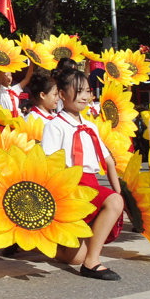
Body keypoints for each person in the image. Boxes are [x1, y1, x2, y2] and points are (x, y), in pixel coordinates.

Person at [42, 68, 124, 280]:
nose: (85, 96)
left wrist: (119, 193)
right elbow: (49, 164)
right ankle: (90, 262)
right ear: (61, 94)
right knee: (78, 257)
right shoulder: (55, 126)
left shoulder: (90, 126)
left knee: (114, 202)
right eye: (78, 91)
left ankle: (84, 258)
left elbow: (108, 160)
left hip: (91, 184)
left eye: (87, 90)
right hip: (69, 187)